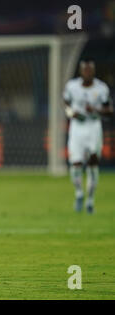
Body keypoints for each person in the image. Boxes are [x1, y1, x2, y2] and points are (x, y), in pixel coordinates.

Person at [63, 59, 113, 213]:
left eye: (90, 69)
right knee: (76, 163)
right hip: (77, 127)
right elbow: (65, 104)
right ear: (80, 70)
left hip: (93, 126)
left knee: (93, 163)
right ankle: (79, 193)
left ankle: (90, 200)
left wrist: (96, 110)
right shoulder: (72, 87)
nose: (87, 72)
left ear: (94, 70)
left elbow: (109, 110)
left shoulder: (101, 88)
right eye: (85, 69)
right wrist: (71, 113)